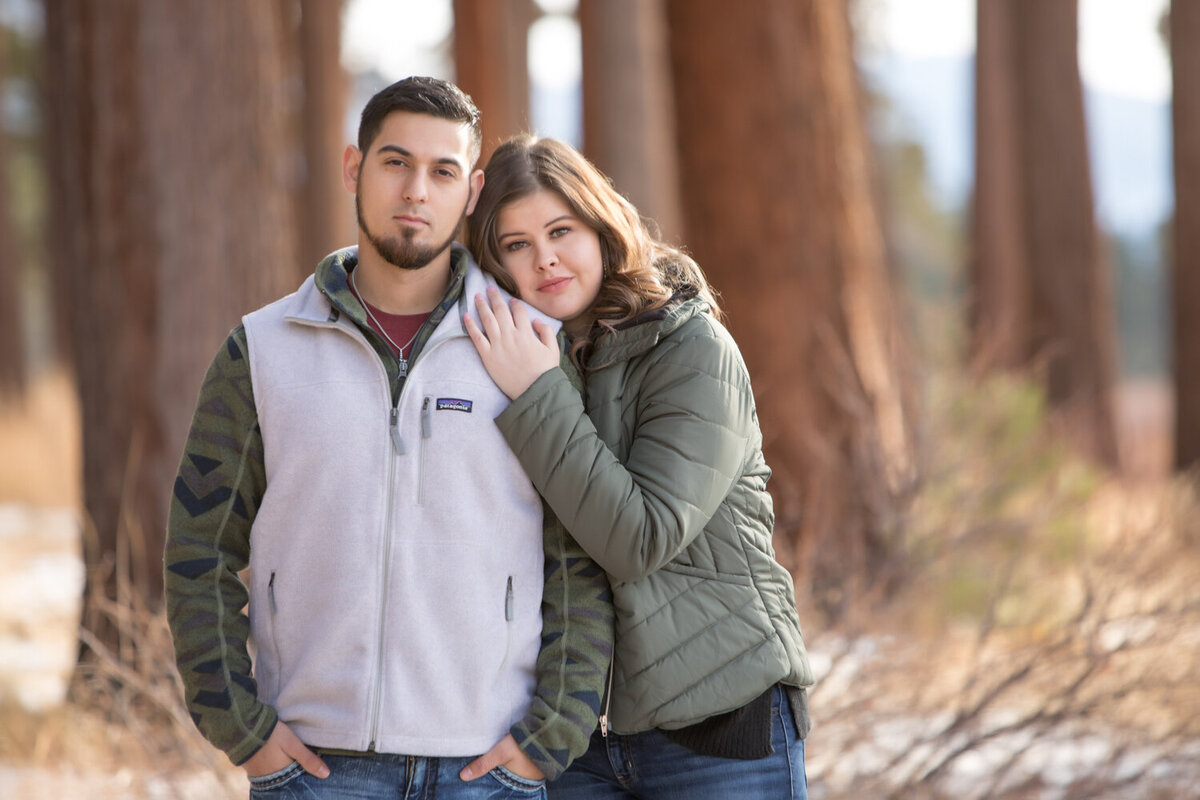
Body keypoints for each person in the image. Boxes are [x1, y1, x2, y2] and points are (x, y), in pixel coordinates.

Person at [163, 79, 612, 799]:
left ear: (470, 193)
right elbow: (199, 547)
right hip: (315, 766)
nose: (415, 191)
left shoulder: (528, 347)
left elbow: (577, 559)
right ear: (353, 168)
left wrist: (550, 736)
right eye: (395, 163)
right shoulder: (264, 349)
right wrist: (240, 729)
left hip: (487, 769)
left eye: (442, 172)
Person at [459, 135, 816, 799]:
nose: (545, 259)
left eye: (561, 230)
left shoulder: (690, 346)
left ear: (600, 224)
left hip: (718, 729)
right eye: (516, 244)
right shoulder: (519, 360)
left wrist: (539, 397)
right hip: (573, 743)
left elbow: (639, 538)